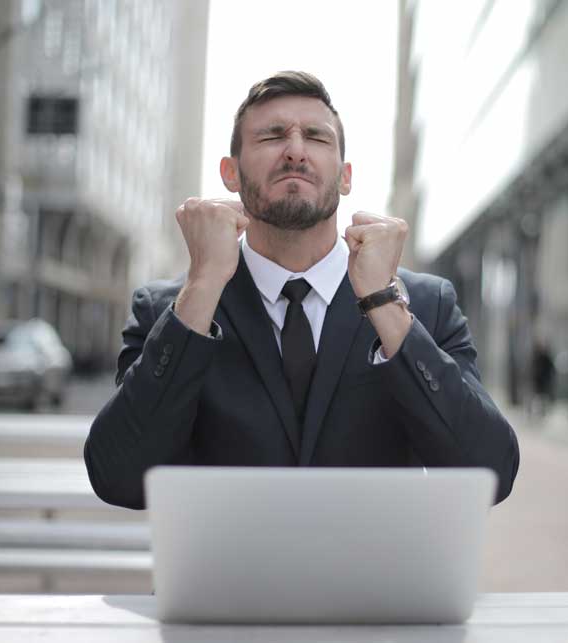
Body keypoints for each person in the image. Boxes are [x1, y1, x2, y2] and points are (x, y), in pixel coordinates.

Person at [84, 71, 519, 508]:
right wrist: (203, 285)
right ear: (230, 173)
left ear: (345, 177)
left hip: (376, 577)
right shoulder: (169, 310)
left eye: (316, 137)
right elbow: (118, 477)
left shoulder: (425, 304)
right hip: (222, 578)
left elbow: (489, 474)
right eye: (272, 136)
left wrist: (383, 302)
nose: (295, 151)